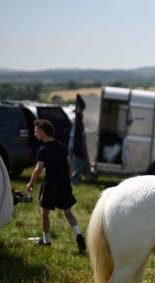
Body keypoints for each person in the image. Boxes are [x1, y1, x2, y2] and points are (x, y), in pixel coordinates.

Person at [26, 119, 86, 254]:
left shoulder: (43, 149)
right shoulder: (62, 146)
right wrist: (68, 179)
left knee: (45, 213)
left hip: (50, 185)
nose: (35, 134)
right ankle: (78, 234)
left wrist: (31, 183)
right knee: (68, 211)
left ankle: (46, 240)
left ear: (41, 132)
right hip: (64, 184)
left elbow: (38, 170)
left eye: (36, 131)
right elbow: (70, 164)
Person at [69, 94, 91, 185]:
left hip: (74, 145)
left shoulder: (77, 121)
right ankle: (74, 180)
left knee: (78, 164)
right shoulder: (78, 121)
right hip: (76, 146)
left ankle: (76, 179)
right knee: (79, 164)